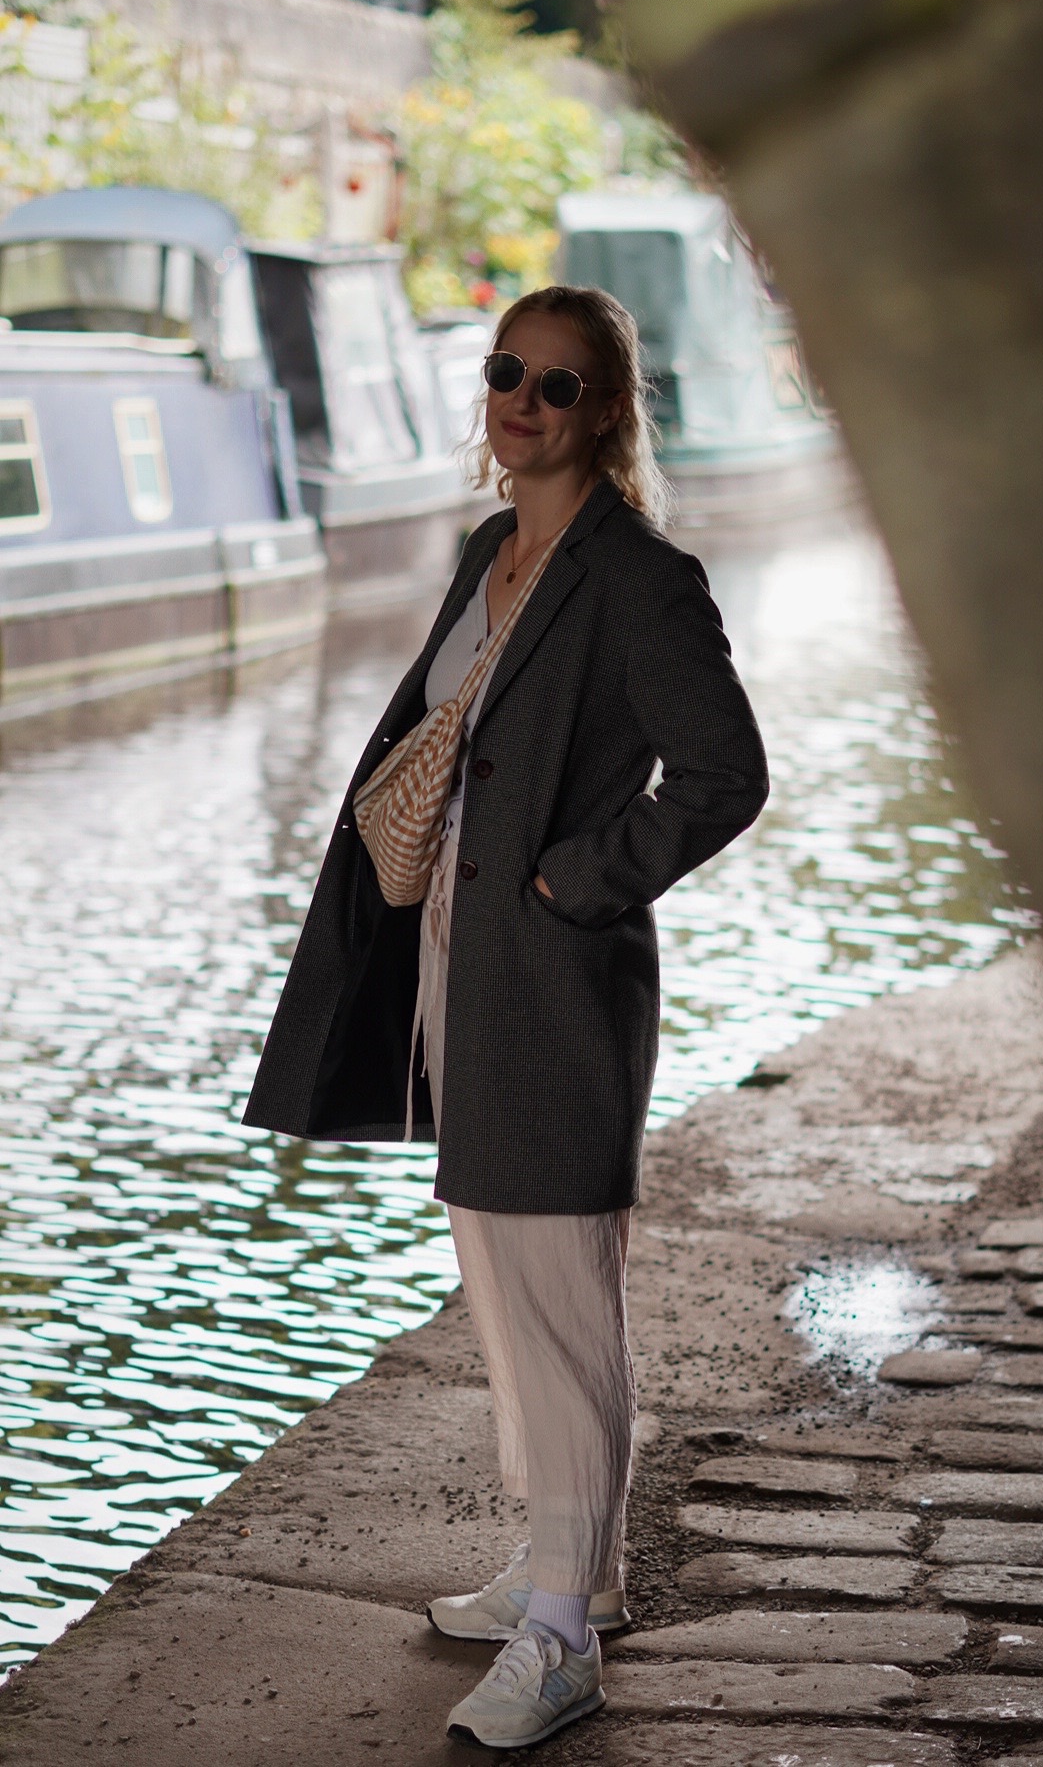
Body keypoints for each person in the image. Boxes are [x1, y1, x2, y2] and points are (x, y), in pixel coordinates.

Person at [243, 285, 769, 1750]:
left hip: (554, 973)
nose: (520, 404)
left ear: (604, 409)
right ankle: (569, 1570)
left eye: (555, 385)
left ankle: (561, 1641)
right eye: (504, 376)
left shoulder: (640, 580)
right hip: (455, 973)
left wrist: (575, 881)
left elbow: (724, 775)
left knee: (558, 1301)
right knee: (503, 1276)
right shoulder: (493, 550)